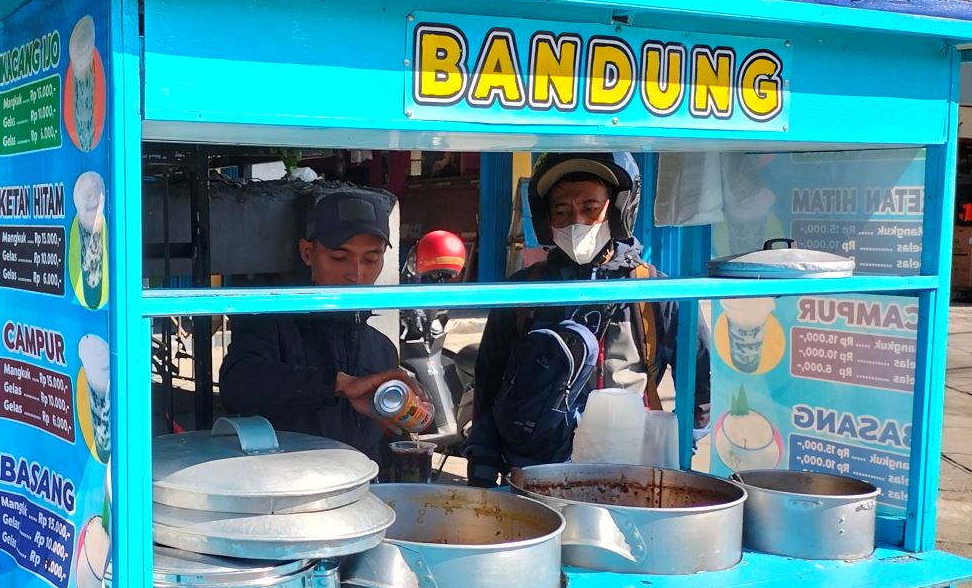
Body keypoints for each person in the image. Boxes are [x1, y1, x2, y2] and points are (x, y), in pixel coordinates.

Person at [465, 152, 710, 487]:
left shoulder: (654, 292)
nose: (576, 221)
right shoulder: (524, 292)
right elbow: (489, 379)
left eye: (590, 208)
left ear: (619, 208)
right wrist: (482, 460)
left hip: (624, 472)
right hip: (535, 471)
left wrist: (679, 447)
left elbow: (701, 382)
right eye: (561, 211)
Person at [219, 188, 427, 458]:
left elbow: (383, 443)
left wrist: (400, 418)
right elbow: (237, 385)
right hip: (286, 488)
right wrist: (337, 384)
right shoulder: (271, 325)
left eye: (371, 258)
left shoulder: (381, 348)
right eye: (339, 257)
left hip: (358, 489)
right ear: (307, 253)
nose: (357, 274)